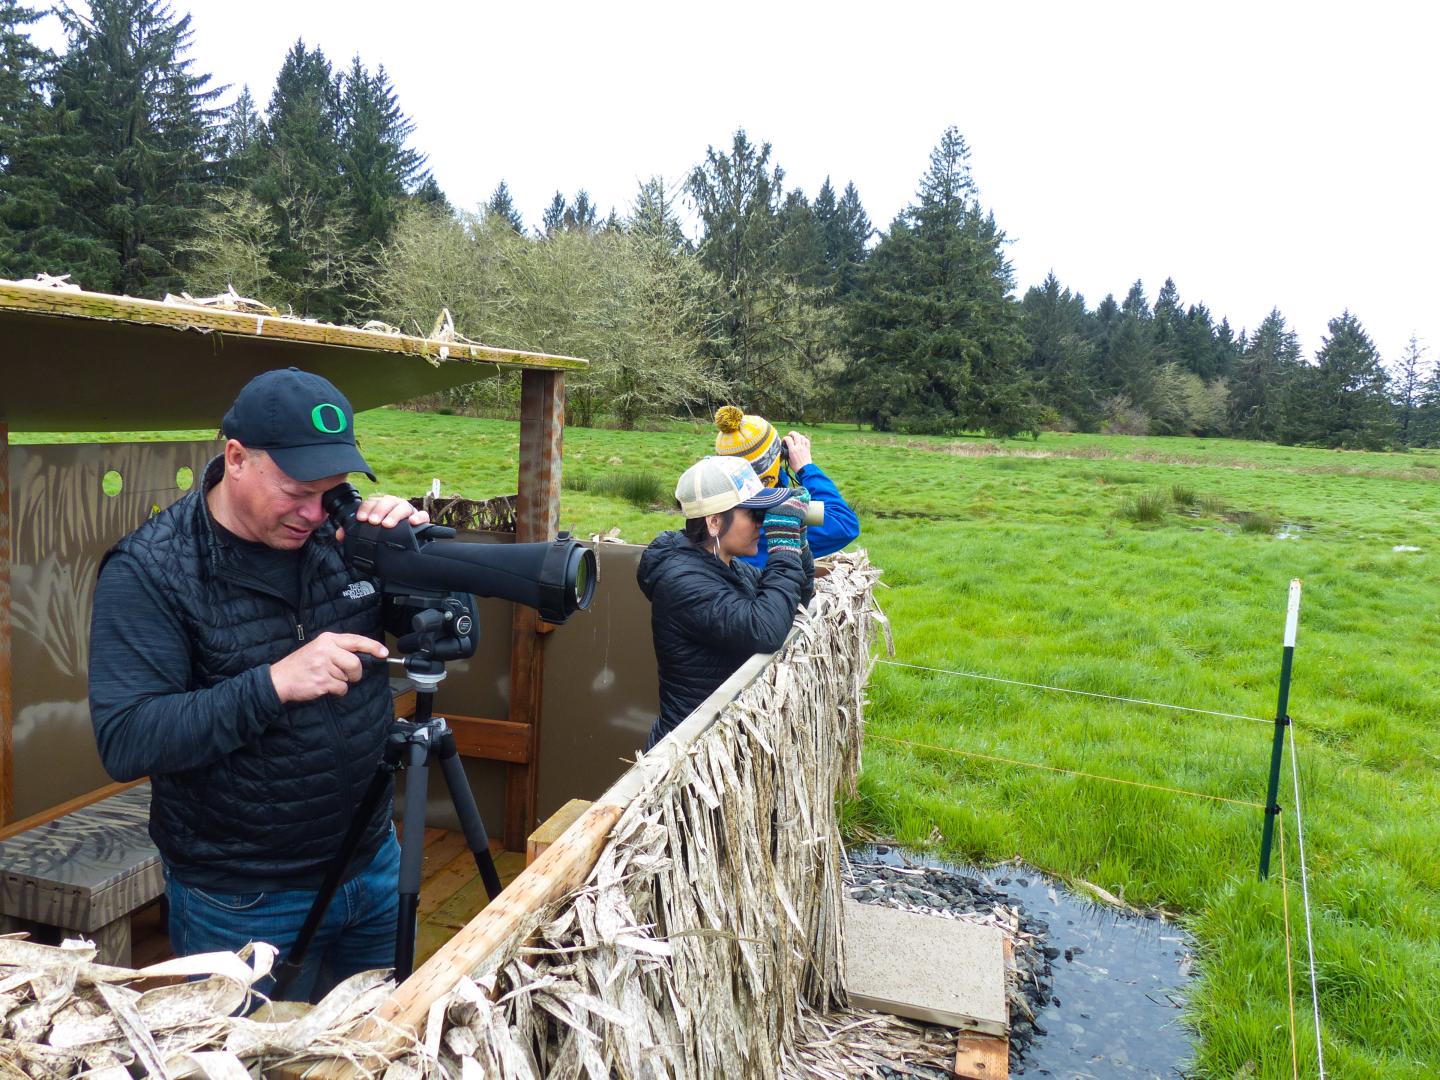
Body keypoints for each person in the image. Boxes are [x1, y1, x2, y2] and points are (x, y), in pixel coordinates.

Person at [88, 367, 428, 1002]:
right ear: (236, 458)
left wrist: (417, 556)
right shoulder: (151, 571)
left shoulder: (342, 538)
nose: (314, 513)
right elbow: (127, 739)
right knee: (244, 1065)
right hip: (243, 898)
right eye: (297, 490)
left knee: (379, 1049)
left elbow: (449, 636)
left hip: (375, 862)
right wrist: (273, 683)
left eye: (334, 491)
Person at [637, 455, 815, 752]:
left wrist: (798, 540)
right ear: (714, 521)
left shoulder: (729, 566)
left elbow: (793, 603)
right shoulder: (683, 583)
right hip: (687, 757)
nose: (763, 523)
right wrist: (782, 543)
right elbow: (766, 630)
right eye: (755, 514)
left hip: (718, 743)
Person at [713, 406, 860, 568]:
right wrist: (806, 468)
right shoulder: (777, 514)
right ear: (779, 457)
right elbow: (844, 523)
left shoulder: (712, 509)